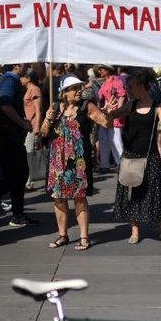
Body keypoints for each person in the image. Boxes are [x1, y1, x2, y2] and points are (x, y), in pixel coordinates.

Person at [41, 75, 113, 251]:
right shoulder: (55, 107)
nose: (80, 91)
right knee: (58, 198)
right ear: (65, 93)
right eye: (75, 88)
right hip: (57, 160)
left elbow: (106, 123)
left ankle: (84, 236)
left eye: (80, 87)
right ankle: (62, 235)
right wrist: (49, 119)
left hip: (78, 160)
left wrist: (109, 113)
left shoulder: (86, 106)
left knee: (79, 198)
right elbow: (43, 133)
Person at [111, 69, 161, 244]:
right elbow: (110, 117)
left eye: (131, 87)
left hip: (150, 157)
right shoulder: (130, 105)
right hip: (131, 156)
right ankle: (135, 231)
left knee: (157, 195)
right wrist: (108, 110)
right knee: (132, 192)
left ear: (142, 87)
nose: (128, 90)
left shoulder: (158, 107)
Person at [0, 64, 36, 227]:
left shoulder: (7, 79)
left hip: (6, 137)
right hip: (8, 138)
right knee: (18, 174)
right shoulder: (9, 80)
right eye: (26, 63)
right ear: (17, 65)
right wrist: (22, 123)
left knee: (16, 174)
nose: (29, 65)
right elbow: (6, 105)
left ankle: (15, 212)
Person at [96, 64, 126, 172]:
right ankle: (105, 165)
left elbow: (122, 95)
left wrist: (119, 110)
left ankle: (121, 164)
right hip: (105, 113)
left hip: (114, 113)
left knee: (115, 140)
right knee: (103, 138)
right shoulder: (104, 82)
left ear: (107, 70)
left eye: (101, 69)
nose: (99, 71)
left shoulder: (116, 80)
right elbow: (100, 98)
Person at [23, 68, 42, 190]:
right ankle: (27, 180)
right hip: (28, 125)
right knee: (27, 151)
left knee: (29, 152)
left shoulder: (34, 89)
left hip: (32, 125)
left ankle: (29, 181)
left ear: (28, 78)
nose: (21, 78)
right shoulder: (29, 89)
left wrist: (36, 127)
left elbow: (38, 110)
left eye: (23, 76)